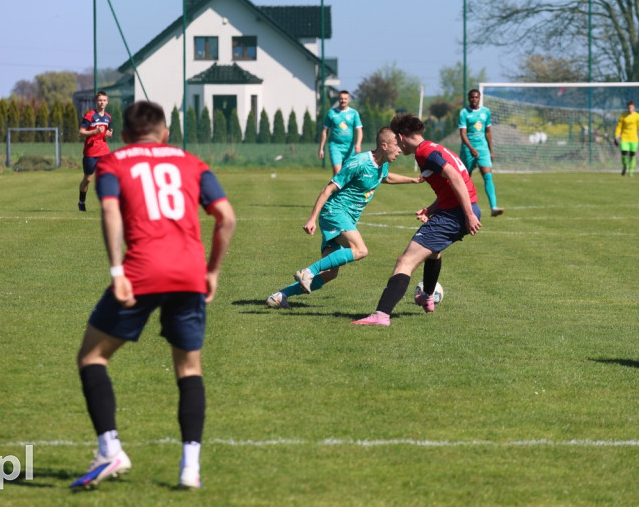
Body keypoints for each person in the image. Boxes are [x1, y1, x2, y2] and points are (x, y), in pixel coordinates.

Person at [70, 101, 236, 491]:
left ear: (124, 135)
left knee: (92, 356)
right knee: (189, 369)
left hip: (142, 271)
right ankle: (189, 470)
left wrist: (116, 270)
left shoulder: (115, 162)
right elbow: (226, 217)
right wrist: (212, 271)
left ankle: (110, 448)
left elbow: (111, 213)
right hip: (190, 273)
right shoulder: (191, 162)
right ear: (165, 133)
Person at [267, 127, 421, 308]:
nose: (400, 150)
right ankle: (308, 271)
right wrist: (312, 218)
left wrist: (414, 180)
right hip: (335, 212)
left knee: (330, 273)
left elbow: (385, 178)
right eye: (397, 146)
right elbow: (328, 189)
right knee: (360, 250)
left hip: (346, 217)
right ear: (384, 145)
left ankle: (280, 295)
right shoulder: (359, 162)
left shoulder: (383, 164)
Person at [352, 112, 481, 326]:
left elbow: (456, 178)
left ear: (401, 137)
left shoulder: (424, 153)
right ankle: (427, 296)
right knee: (433, 252)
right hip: (458, 209)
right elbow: (450, 185)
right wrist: (431, 210)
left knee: (405, 261)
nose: (396, 144)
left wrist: (467, 215)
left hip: (456, 213)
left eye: (396, 139)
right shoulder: (433, 147)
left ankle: (381, 315)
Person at [458, 89, 504, 216]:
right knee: (465, 178)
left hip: (483, 149)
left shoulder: (486, 112)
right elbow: (463, 133)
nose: (474, 99)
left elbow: (488, 132)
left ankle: (494, 207)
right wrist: (471, 148)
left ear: (480, 98)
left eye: (476, 97)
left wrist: (491, 150)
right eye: (472, 97)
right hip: (468, 149)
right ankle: (463, 208)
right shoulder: (464, 113)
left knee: (488, 176)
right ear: (469, 99)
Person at [78, 91, 114, 211]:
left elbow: (106, 132)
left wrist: (108, 134)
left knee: (107, 176)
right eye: (99, 100)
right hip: (91, 151)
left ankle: (108, 205)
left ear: (107, 102)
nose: (102, 102)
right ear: (96, 102)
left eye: (104, 100)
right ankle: (81, 201)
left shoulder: (108, 117)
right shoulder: (90, 116)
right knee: (88, 179)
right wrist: (94, 132)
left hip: (104, 150)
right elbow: (81, 132)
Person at [317, 89, 363, 174]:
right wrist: (321, 148)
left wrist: (358, 144)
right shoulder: (331, 113)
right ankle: (337, 187)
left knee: (348, 172)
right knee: (337, 171)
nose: (343, 100)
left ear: (348, 100)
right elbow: (325, 131)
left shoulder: (354, 113)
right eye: (341, 98)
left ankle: (341, 187)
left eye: (345, 99)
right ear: (338, 99)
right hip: (335, 146)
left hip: (349, 147)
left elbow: (359, 130)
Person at [614, 101, 639, 176]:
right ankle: (625, 166)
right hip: (624, 138)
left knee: (632, 155)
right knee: (624, 154)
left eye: (631, 108)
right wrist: (616, 137)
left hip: (634, 139)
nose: (630, 109)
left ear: (634, 108)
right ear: (627, 108)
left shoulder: (637, 116)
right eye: (629, 108)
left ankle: (631, 171)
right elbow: (619, 127)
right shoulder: (623, 116)